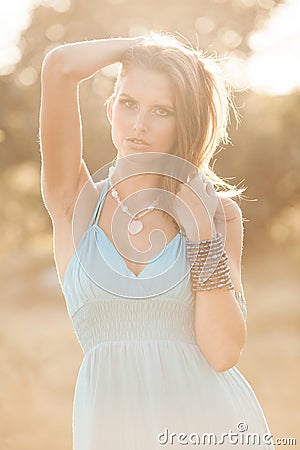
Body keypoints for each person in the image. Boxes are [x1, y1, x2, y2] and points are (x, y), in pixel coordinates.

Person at [39, 32, 274, 449]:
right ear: (110, 108)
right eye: (128, 103)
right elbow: (60, 66)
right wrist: (144, 48)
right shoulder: (73, 203)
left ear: (184, 123)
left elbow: (222, 352)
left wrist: (201, 232)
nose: (139, 125)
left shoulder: (219, 215)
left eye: (161, 111)